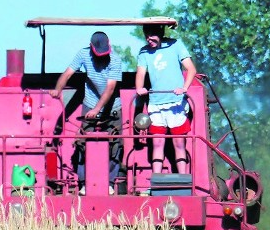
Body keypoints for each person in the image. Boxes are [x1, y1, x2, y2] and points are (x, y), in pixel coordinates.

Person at [50, 31, 123, 195]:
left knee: (116, 145)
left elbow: (110, 88)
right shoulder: (83, 54)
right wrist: (57, 90)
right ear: (91, 48)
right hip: (89, 103)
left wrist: (97, 109)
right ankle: (84, 183)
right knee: (82, 144)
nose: (102, 57)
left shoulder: (116, 60)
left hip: (113, 108)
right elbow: (68, 73)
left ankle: (110, 183)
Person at [135, 24, 196, 174]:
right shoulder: (144, 52)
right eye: (146, 35)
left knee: (179, 142)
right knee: (157, 142)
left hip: (176, 104)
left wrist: (184, 88)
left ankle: (183, 178)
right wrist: (139, 88)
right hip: (156, 104)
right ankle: (156, 178)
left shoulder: (175, 45)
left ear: (160, 33)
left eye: (152, 35)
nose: (149, 39)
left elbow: (191, 69)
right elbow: (140, 73)